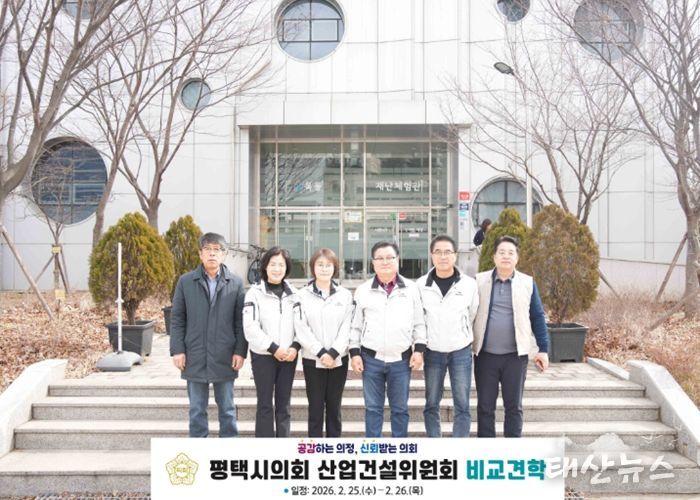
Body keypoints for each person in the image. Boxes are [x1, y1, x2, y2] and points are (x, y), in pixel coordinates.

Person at [170, 232, 247, 438]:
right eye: (207, 249)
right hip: (195, 354)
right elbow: (177, 319)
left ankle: (228, 447)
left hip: (225, 355)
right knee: (197, 409)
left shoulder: (235, 283)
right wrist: (178, 350)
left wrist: (240, 351)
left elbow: (240, 322)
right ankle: (198, 449)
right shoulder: (186, 282)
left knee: (227, 409)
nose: (212, 254)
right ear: (200, 254)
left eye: (217, 250)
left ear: (224, 254)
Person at [473, 235, 549, 438]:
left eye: (510, 253)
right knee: (485, 407)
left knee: (514, 407)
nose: (506, 256)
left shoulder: (527, 283)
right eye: (501, 252)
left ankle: (512, 450)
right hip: (485, 356)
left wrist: (543, 349)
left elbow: (537, 316)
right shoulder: (479, 281)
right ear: (494, 257)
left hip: (515, 357)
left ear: (517, 258)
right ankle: (486, 451)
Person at [349, 241, 426, 437]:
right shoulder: (363, 290)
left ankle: (399, 450)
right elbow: (355, 326)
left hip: (401, 360)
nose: (385, 262)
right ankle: (374, 449)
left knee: (400, 409)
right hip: (371, 360)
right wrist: (354, 353)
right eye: (380, 258)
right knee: (373, 409)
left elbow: (419, 323)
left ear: (397, 260)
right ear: (373, 262)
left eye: (390, 257)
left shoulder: (411, 288)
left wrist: (419, 350)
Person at [416, 235, 479, 437]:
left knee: (462, 403)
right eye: (438, 252)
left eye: (447, 252)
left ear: (455, 255)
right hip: (432, 351)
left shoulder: (469, 284)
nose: (443, 256)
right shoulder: (420, 285)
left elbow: (472, 313)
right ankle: (435, 443)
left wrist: (461, 331)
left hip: (460, 351)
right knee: (431, 402)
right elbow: (418, 318)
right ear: (431, 255)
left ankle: (459, 446)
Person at [243, 246, 301, 437]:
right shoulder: (254, 293)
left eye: (281, 265)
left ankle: (283, 445)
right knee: (265, 403)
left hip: (289, 356)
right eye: (273, 264)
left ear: (287, 268)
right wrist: (273, 348)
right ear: (265, 266)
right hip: (263, 356)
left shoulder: (295, 294)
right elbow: (250, 327)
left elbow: (301, 326)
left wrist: (295, 347)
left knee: (284, 404)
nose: (277, 269)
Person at [295, 248, 353, 437]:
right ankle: (315, 448)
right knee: (315, 408)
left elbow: (347, 326)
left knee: (334, 408)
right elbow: (301, 327)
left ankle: (333, 448)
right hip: (312, 359)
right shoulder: (301, 295)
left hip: (339, 359)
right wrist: (321, 353)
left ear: (335, 268)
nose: (324, 268)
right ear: (313, 267)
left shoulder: (345, 295)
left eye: (328, 265)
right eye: (320, 264)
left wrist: (334, 352)